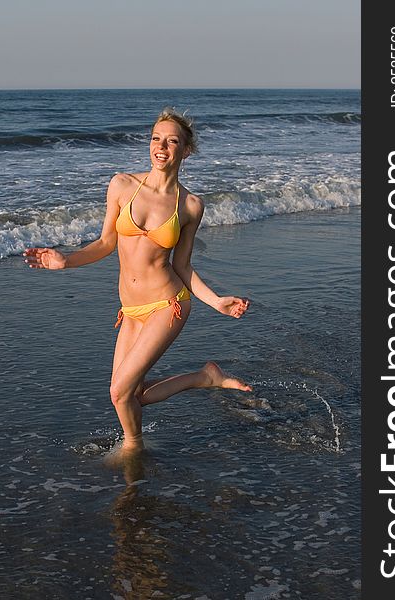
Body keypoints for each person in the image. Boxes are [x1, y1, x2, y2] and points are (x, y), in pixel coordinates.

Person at [23, 107, 251, 460]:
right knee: (131, 393)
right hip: (131, 309)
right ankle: (204, 377)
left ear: (185, 150)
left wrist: (216, 300)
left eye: (171, 141)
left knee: (119, 392)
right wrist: (66, 260)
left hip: (168, 304)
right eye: (156, 138)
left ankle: (132, 447)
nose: (161, 147)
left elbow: (183, 266)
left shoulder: (190, 205)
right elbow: (105, 243)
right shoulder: (122, 184)